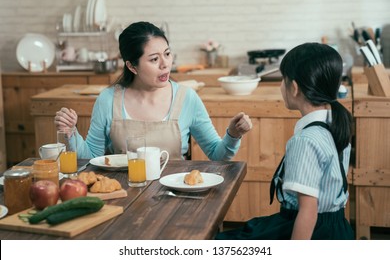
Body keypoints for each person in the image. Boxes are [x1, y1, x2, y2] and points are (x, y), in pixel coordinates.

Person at [54, 21, 252, 160]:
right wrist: (71, 133)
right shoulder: (108, 99)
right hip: (122, 197)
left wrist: (233, 135)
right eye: (154, 59)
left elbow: (218, 155)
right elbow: (92, 159)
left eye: (167, 54)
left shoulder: (186, 98)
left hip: (175, 198)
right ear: (132, 66)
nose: (165, 64)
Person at [216, 42, 354, 240]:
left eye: (283, 79)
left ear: (294, 87)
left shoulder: (305, 140)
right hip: (336, 227)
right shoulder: (337, 124)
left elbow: (308, 212)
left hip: (312, 230)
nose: (281, 85)